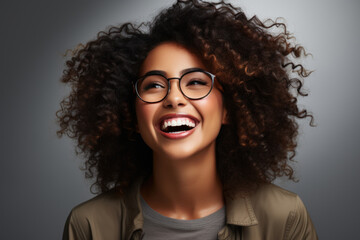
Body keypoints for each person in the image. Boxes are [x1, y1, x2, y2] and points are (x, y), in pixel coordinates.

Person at [57, 0, 318, 239]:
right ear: (131, 116)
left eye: (195, 82)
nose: (174, 98)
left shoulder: (284, 217)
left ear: (229, 108)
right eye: (154, 85)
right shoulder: (89, 225)